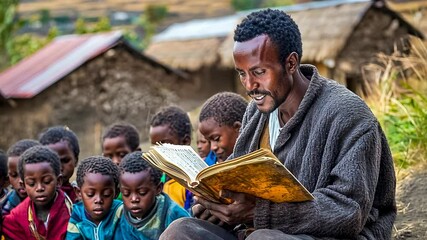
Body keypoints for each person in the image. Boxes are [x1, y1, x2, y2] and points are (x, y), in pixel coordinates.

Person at [160, 9, 396, 240]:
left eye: (259, 72)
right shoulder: (257, 111)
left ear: (291, 63)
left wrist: (258, 213)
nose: (249, 85)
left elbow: (348, 212)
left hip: (329, 235)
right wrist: (217, 205)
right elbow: (241, 176)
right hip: (256, 230)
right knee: (180, 231)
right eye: (242, 74)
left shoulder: (348, 115)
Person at [2, 146, 72, 239]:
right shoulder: (18, 216)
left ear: (58, 181)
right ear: (23, 186)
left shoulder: (72, 211)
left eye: (46, 181)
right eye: (31, 184)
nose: (39, 188)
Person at [117, 151, 190, 239]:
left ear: (158, 188)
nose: (134, 199)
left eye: (142, 192)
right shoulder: (120, 215)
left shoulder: (174, 214)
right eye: (126, 193)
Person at [66, 156, 123, 239]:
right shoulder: (76, 216)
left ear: (116, 193)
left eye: (106, 194)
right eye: (90, 194)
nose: (98, 200)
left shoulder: (120, 212)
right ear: (79, 192)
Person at [149, 106, 193, 210]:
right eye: (155, 146)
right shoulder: (158, 179)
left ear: (185, 142)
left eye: (164, 145)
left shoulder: (192, 183)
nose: (159, 152)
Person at [198, 92, 248, 163]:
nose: (212, 148)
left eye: (217, 139)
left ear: (238, 128)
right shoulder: (212, 162)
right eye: (209, 141)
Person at [39, 126, 80, 202]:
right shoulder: (38, 196)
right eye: (51, 162)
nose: (59, 168)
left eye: (65, 160)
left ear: (76, 160)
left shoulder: (82, 196)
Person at [2, 139, 40, 215]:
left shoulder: (59, 200)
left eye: (26, 174)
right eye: (14, 175)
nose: (20, 181)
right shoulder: (5, 207)